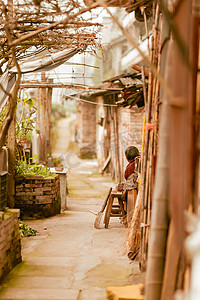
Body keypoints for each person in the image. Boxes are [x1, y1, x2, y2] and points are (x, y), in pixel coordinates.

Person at [117, 146, 140, 224]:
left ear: (127, 158)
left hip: (132, 188)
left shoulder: (130, 166)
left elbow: (127, 179)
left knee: (120, 189)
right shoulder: (139, 162)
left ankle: (126, 215)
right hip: (135, 185)